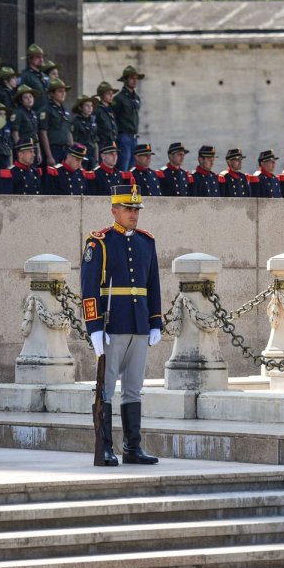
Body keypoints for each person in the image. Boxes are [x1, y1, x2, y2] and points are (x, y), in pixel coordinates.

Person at [80, 183, 163, 466]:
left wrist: (155, 321)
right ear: (114, 210)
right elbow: (89, 287)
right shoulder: (99, 242)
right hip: (112, 324)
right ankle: (105, 447)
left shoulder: (146, 242)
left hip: (139, 325)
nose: (134, 214)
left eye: (136, 209)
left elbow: (153, 284)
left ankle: (132, 447)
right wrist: (94, 328)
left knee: (133, 388)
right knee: (106, 388)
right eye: (128, 209)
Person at [112, 65, 144, 171]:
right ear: (125, 80)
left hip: (134, 137)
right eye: (131, 78)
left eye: (136, 78)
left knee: (132, 169)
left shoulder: (136, 98)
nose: (135, 81)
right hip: (124, 136)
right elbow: (113, 118)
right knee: (123, 167)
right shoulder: (119, 98)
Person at [38, 78, 73, 167]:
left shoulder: (65, 110)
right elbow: (43, 133)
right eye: (60, 91)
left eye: (64, 91)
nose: (63, 94)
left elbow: (68, 131)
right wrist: (49, 156)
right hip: (53, 149)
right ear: (52, 94)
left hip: (66, 149)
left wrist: (72, 152)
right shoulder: (46, 109)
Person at [71, 94, 99, 167]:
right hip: (81, 154)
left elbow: (95, 142)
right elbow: (72, 142)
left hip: (92, 154)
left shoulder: (93, 122)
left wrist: (96, 160)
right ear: (80, 107)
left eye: (91, 106)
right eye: (87, 106)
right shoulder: (76, 122)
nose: (90, 108)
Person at [20, 44, 50, 111]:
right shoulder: (26, 76)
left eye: (42, 57)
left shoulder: (44, 75)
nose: (41, 60)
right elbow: (22, 96)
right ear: (30, 59)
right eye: (38, 57)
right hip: (35, 112)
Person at [93, 82, 119, 154]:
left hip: (112, 142)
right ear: (102, 95)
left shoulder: (110, 109)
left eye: (112, 93)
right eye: (108, 94)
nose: (111, 96)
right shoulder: (97, 110)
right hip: (103, 143)